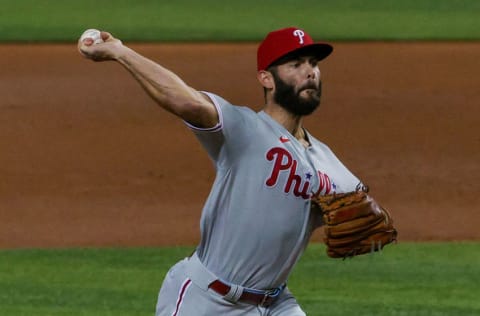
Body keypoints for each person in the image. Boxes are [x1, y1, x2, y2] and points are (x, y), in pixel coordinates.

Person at [78, 26, 362, 316]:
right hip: (208, 301)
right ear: (267, 78)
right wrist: (119, 51)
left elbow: (362, 215)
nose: (310, 72)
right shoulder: (245, 128)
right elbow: (187, 101)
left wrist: (362, 223)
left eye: (313, 64)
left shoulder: (326, 160)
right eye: (296, 65)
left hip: (276, 304)